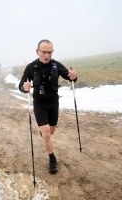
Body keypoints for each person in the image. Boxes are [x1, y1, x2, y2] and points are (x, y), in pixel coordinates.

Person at [18, 39, 77, 173]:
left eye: (49, 52)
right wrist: (24, 87)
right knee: (46, 134)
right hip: (39, 104)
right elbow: (21, 85)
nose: (47, 55)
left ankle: (45, 133)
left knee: (51, 131)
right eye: (44, 52)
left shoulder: (56, 65)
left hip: (53, 103)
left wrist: (73, 76)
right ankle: (52, 158)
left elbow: (70, 77)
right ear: (37, 52)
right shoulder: (31, 67)